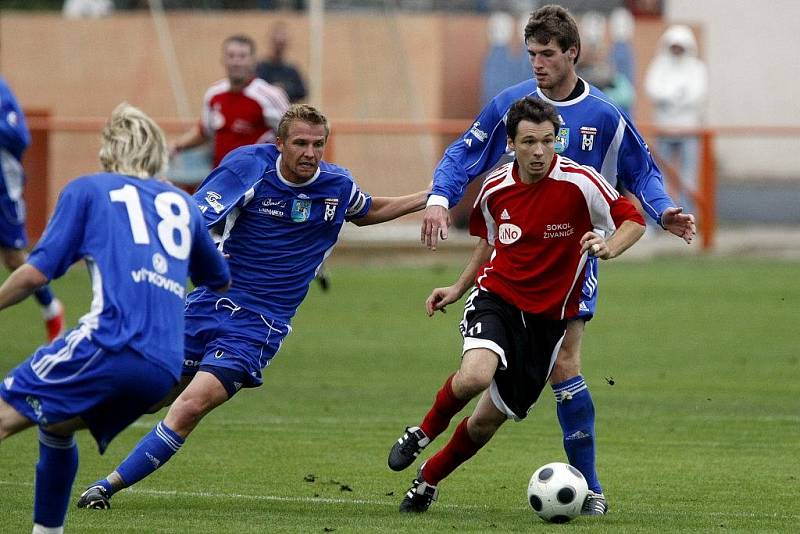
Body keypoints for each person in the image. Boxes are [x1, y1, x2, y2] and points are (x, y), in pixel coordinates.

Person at [410, 4, 696, 515]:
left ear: (572, 53)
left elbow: (641, 169)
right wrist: (438, 197)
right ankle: (436, 445)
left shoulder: (605, 115)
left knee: (564, 368)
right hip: (515, 257)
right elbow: (465, 152)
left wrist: (664, 210)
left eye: (547, 54)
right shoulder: (510, 104)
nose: (537, 64)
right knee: (493, 379)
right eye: (531, 54)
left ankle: (590, 489)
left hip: (573, 262)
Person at [76, 104, 430, 509]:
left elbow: (367, 210)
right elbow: (194, 218)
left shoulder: (337, 185)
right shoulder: (248, 168)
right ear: (278, 143)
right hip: (208, 304)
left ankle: (106, 487)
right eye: (300, 143)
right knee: (150, 391)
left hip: (259, 326)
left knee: (190, 404)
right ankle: (55, 420)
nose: (310, 153)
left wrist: (429, 197)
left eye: (318, 144)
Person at [390, 97, 645, 513]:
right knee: (475, 376)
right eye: (529, 141)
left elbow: (633, 218)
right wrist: (458, 288)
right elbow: (489, 243)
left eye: (548, 140)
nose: (540, 151)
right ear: (511, 142)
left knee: (485, 422)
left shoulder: (582, 182)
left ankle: (429, 478)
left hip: (548, 322)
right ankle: (422, 431)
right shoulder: (494, 188)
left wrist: (609, 246)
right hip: (498, 299)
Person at [0, 103, 231, 534]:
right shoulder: (179, 202)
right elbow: (218, 279)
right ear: (157, 151)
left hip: (111, 343)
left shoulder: (88, 189)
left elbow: (35, 272)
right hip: (163, 368)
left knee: (4, 413)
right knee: (56, 425)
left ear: (109, 149)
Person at [0, 76, 65, 342]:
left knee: (14, 257)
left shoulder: (3, 92)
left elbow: (21, 136)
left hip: (3, 187)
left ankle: (52, 309)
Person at [170, 34, 291, 170]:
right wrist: (176, 146)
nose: (236, 62)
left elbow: (292, 133)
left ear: (253, 61)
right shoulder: (214, 94)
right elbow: (204, 131)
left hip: (258, 179)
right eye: (231, 56)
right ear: (223, 60)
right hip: (222, 177)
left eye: (242, 56)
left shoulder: (270, 95)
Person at [644, 24, 708, 217]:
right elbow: (653, 89)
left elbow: (697, 93)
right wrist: (674, 96)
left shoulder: (696, 67)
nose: (677, 51)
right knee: (658, 175)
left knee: (688, 176)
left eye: (681, 47)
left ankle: (688, 216)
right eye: (674, 47)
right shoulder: (660, 65)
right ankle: (659, 216)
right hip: (664, 127)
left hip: (689, 129)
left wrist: (674, 98)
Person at [256, 21, 308, 103]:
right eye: (276, 42)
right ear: (271, 41)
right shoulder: (259, 68)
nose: (279, 47)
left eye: (282, 43)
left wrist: (285, 90)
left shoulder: (292, 71)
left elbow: (302, 93)